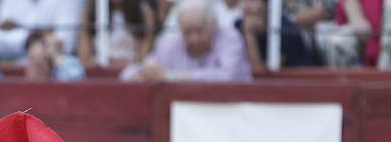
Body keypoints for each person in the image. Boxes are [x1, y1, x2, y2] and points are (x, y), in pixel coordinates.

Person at [120, 0, 250, 79]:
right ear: (180, 30)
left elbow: (227, 77)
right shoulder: (172, 44)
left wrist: (174, 76)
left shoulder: (230, 39)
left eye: (199, 30)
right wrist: (143, 74)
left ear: (213, 25)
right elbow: (127, 75)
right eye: (187, 32)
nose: (194, 38)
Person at [0, 0, 84, 62]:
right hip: (14, 73)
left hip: (53, 75)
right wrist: (31, 37)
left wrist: (17, 28)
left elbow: (66, 43)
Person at [76, 0, 157, 68]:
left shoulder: (143, 11)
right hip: (99, 69)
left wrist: (131, 65)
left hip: (131, 71)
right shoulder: (90, 12)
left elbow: (145, 51)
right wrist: (102, 62)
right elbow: (84, 57)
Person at [235, 0, 313, 69]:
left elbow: (262, 74)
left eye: (253, 0)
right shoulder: (238, 25)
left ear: (267, 4)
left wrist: (250, 35)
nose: (246, 4)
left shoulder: (283, 28)